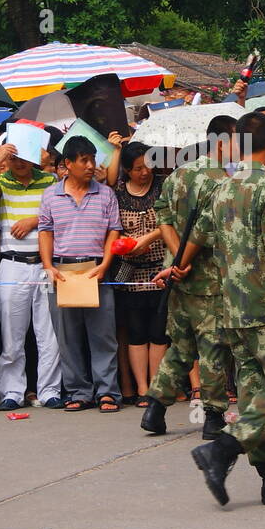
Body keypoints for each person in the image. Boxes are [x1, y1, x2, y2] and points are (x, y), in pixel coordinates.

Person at [185, 112, 265, 507]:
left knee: (255, 392)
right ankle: (223, 449)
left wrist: (180, 265)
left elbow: (200, 236)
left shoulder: (222, 190)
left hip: (232, 307)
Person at [140, 115, 239, 438]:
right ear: (222, 142)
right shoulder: (223, 182)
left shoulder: (179, 174)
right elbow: (208, 230)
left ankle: (155, 408)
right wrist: (186, 259)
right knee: (212, 348)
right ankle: (213, 417)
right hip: (207, 277)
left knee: (181, 347)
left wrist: (176, 257)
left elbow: (163, 214)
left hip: (177, 277)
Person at [38, 136, 123, 412]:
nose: (90, 166)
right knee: (67, 336)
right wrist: (48, 266)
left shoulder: (106, 194)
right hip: (63, 270)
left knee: (103, 335)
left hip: (96, 268)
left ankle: (107, 392)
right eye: (84, 160)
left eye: (92, 159)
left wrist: (106, 263)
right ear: (67, 164)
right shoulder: (51, 195)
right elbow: (45, 232)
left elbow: (114, 232)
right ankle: (78, 390)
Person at [0, 139, 61, 411]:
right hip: (12, 263)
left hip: (45, 263)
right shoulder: (1, 181)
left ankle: (50, 390)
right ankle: (12, 391)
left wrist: (35, 220)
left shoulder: (49, 180)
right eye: (13, 158)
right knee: (12, 333)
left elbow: (59, 212)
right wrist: (0, 156)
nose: (19, 162)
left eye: (23, 156)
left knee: (48, 334)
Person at [107, 139, 170, 406]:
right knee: (135, 331)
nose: (144, 173)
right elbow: (112, 227)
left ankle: (156, 386)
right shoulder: (118, 193)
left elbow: (170, 221)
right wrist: (126, 244)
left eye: (147, 166)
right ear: (126, 170)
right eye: (136, 168)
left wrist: (147, 239)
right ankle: (142, 388)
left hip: (159, 269)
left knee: (158, 330)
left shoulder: (163, 187)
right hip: (130, 271)